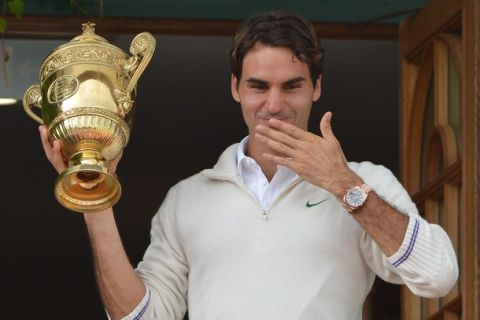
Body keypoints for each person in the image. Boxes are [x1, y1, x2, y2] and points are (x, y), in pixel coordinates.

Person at [39, 10, 458, 320]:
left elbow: (438, 277)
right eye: (258, 86)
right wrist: (94, 198)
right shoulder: (187, 199)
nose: (273, 106)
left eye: (291, 86)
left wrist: (342, 183)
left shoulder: (365, 181)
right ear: (236, 88)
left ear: (316, 88)